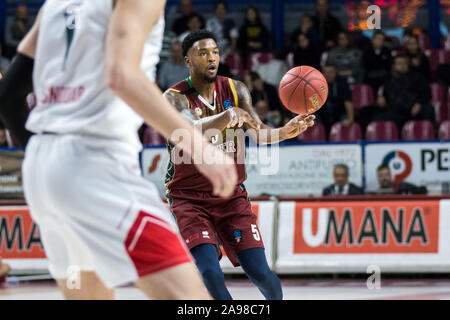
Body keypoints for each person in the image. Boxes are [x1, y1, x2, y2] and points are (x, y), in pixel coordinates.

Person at [17, 0, 242, 300]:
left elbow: (9, 94)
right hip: (94, 164)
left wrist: (54, 158)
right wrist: (200, 146)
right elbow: (121, 75)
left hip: (41, 165)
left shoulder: (55, 4)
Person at [163, 30, 315, 300]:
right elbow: (184, 131)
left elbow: (257, 132)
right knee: (209, 272)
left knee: (260, 273)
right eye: (203, 53)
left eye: (215, 52)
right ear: (187, 61)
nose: (211, 58)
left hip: (231, 196)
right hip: (189, 199)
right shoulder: (174, 97)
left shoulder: (236, 89)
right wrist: (226, 116)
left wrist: (285, 131)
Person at [359, 55, 435, 131]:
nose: (403, 66)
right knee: (370, 114)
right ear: (393, 66)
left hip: (413, 111)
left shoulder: (417, 77)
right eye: (399, 63)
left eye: (405, 63)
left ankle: (430, 135)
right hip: (396, 113)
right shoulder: (387, 79)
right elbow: (381, 92)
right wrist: (380, 97)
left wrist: (419, 103)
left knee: (428, 109)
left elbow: (426, 93)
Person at [315, 64, 355, 134]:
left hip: (339, 113)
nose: (328, 75)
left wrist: (350, 118)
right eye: (325, 72)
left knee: (345, 119)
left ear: (336, 73)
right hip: (322, 114)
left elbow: (348, 100)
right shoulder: (316, 84)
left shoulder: (342, 82)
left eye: (331, 72)